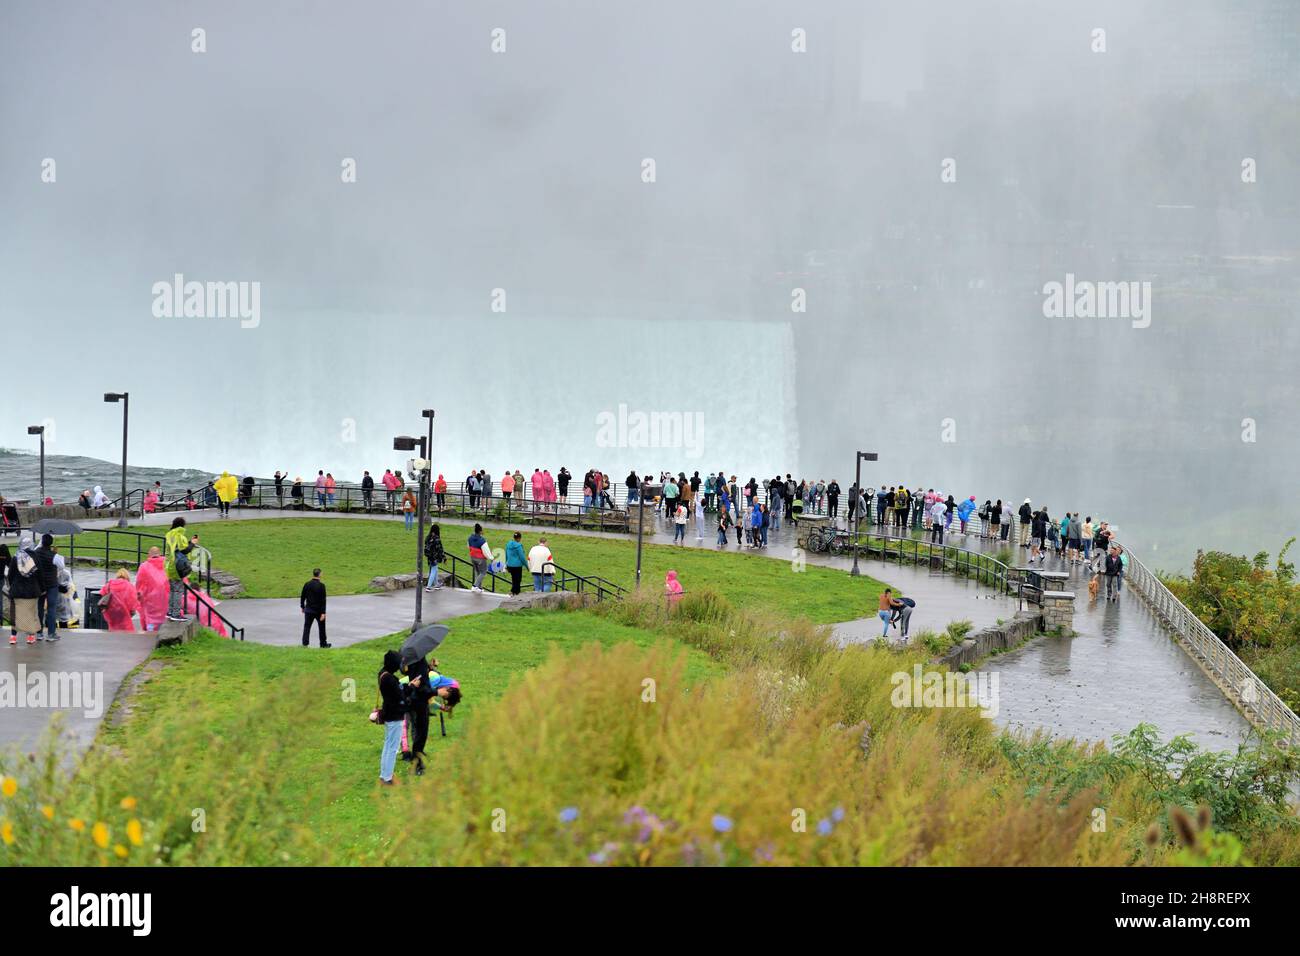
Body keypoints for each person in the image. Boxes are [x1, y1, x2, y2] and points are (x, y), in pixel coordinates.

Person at [377, 650, 410, 785]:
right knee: (393, 748)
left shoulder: (382, 674)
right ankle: (388, 778)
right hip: (395, 715)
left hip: (388, 713)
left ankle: (384, 774)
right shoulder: (391, 679)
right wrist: (411, 687)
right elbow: (400, 695)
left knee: (387, 744)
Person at [8, 535, 43, 645]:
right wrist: (42, 588)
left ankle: (13, 636)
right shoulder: (36, 557)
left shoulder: (15, 557)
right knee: (31, 613)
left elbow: (10, 575)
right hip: (32, 591)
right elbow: (40, 575)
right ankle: (31, 636)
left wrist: (12, 585)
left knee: (15, 613)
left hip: (17, 591)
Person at [164, 517, 198, 622]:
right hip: (177, 567)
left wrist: (189, 542)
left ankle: (170, 612)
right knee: (178, 591)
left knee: (173, 590)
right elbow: (184, 551)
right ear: (182, 525)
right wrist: (192, 543)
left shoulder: (170, 534)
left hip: (169, 565)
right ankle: (176, 614)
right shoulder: (180, 536)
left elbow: (176, 548)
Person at [135, 546, 169, 632]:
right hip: (166, 598)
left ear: (149, 555)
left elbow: (139, 584)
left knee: (150, 620)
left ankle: (150, 633)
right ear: (159, 554)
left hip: (150, 600)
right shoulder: (167, 564)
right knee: (165, 617)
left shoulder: (144, 566)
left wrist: (139, 595)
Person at [33, 534, 60, 641]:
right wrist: (55, 553)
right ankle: (51, 634)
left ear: (42, 541)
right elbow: (61, 566)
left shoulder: (36, 552)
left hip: (39, 584)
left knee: (39, 608)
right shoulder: (54, 555)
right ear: (51, 543)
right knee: (51, 609)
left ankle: (39, 633)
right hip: (52, 584)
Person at [99, 567, 142, 632]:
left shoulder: (110, 583)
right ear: (127, 576)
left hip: (111, 611)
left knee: (112, 627)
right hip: (124, 611)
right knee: (126, 628)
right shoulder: (130, 586)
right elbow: (133, 600)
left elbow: (102, 593)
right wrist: (132, 610)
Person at [300, 568, 330, 647]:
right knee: (321, 628)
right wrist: (323, 613)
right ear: (319, 574)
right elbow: (323, 600)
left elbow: (303, 596)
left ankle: (305, 643)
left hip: (309, 610)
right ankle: (323, 643)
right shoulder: (321, 586)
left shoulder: (307, 584)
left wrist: (302, 606)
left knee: (307, 627)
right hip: (318, 611)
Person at [467, 523, 490, 592]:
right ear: (480, 531)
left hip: (472, 557)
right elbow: (486, 551)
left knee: (477, 572)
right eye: (482, 530)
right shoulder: (482, 540)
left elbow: (468, 546)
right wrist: (491, 557)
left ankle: (479, 588)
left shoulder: (470, 538)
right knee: (483, 572)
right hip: (480, 559)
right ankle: (474, 586)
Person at [423, 524, 445, 591]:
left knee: (435, 569)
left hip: (429, 556)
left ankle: (436, 584)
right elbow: (440, 549)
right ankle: (428, 586)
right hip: (434, 557)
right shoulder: (437, 538)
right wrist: (444, 557)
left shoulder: (428, 537)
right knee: (433, 570)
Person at [505, 531, 526, 595]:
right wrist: (527, 565)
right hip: (517, 566)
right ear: (519, 538)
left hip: (510, 565)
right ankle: (516, 592)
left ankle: (513, 591)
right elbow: (522, 557)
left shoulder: (508, 544)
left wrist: (507, 562)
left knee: (514, 578)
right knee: (518, 580)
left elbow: (506, 554)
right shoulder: (519, 546)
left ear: (514, 537)